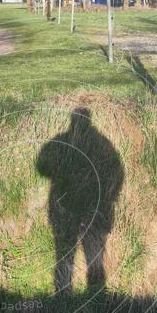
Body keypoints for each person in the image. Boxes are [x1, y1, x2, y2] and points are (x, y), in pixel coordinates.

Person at [36, 108, 124, 293]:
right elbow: (117, 170)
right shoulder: (101, 142)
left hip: (70, 205)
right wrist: (109, 196)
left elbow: (41, 166)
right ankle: (94, 292)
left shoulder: (61, 141)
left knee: (66, 250)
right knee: (92, 251)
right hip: (88, 205)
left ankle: (65, 291)